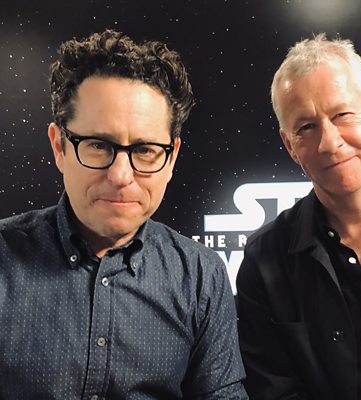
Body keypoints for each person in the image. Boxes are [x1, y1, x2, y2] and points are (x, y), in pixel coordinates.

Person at [0, 29, 248, 400]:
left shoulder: (201, 276)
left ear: (171, 158)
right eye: (98, 145)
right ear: (59, 146)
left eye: (145, 150)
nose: (120, 175)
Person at [237, 33, 361, 400]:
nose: (330, 142)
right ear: (289, 145)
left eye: (342, 115)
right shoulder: (264, 261)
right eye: (307, 127)